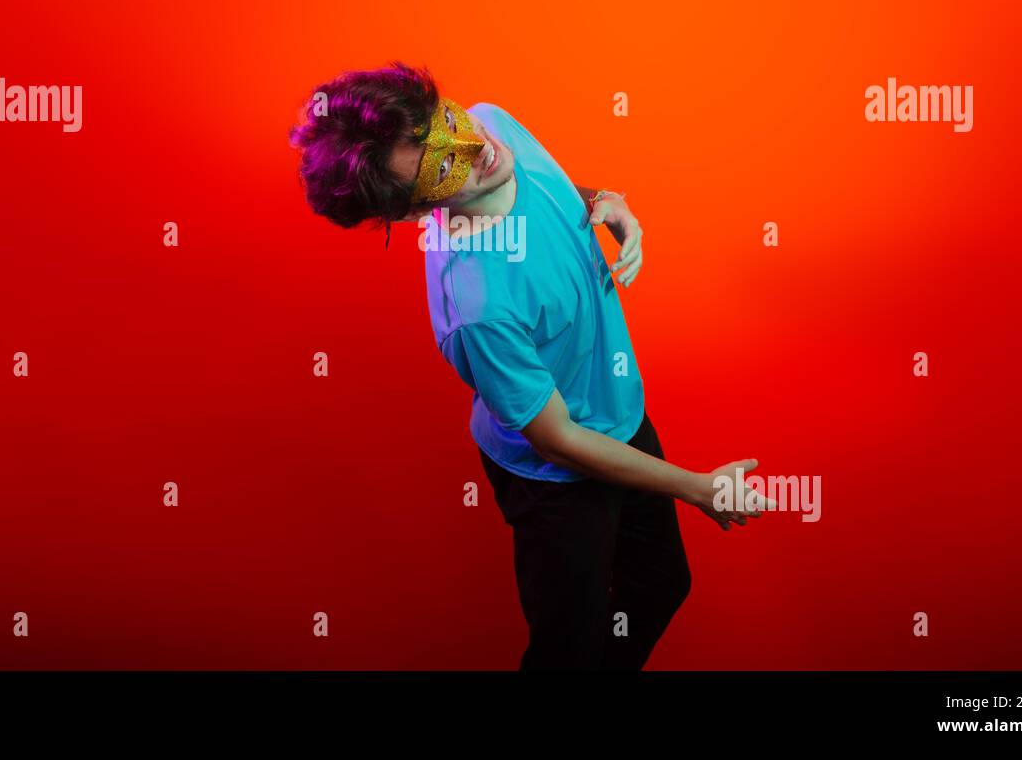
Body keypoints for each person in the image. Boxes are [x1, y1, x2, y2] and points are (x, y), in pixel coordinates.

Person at [289, 61, 773, 670]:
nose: (477, 149)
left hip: (616, 414)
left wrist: (605, 200)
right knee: (566, 650)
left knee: (661, 585)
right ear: (415, 214)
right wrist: (698, 487)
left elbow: (551, 191)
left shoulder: (493, 126)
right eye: (444, 164)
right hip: (556, 481)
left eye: (448, 119)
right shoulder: (478, 305)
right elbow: (560, 442)